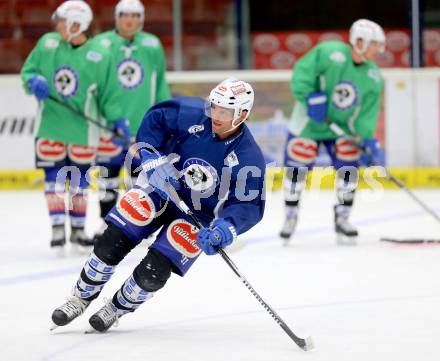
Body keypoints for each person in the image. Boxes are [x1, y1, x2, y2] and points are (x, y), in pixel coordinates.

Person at [50, 78, 266, 332]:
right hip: (160, 187)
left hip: (197, 213)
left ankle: (115, 308)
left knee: (155, 270)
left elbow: (248, 202)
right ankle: (81, 296)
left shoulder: (248, 156)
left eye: (225, 111)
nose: (216, 115)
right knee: (114, 237)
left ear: (242, 115)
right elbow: (157, 118)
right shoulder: (193, 115)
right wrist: (152, 155)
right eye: (214, 107)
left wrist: (226, 227)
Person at [21, 1, 130, 249]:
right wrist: (33, 80)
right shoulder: (47, 44)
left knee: (79, 180)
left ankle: (78, 230)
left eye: (62, 20)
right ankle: (58, 227)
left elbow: (109, 94)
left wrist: (116, 119)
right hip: (50, 127)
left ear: (76, 24)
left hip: (84, 132)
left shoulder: (100, 55)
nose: (57, 25)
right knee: (53, 179)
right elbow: (27, 72)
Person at [280, 19, 385, 245]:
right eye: (375, 44)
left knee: (349, 169)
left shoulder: (374, 77)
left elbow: (367, 113)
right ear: (360, 41)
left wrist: (366, 138)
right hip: (308, 123)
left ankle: (343, 217)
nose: (379, 49)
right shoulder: (329, 52)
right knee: (296, 169)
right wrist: (309, 96)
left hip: (341, 129)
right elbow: (302, 72)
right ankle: (290, 214)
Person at [93, 0, 171, 232]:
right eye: (125, 15)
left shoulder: (151, 44)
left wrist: (163, 114)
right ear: (117, 17)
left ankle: (135, 222)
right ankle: (106, 221)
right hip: (108, 124)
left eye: (136, 16)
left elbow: (160, 82)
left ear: (142, 19)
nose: (130, 20)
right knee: (107, 172)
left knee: (140, 177)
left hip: (143, 125)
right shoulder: (101, 44)